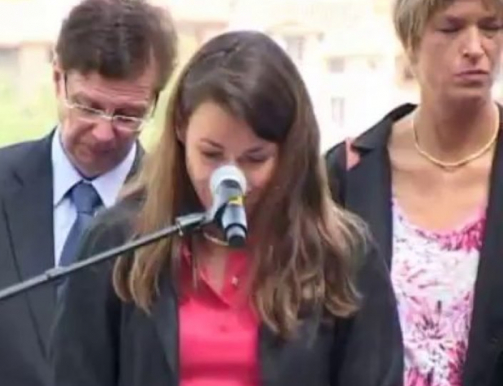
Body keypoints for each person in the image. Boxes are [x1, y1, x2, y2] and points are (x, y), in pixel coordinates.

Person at [49, 30, 403, 386]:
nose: (229, 179)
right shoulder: (119, 241)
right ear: (181, 130)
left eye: (255, 158)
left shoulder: (342, 254)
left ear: (288, 153)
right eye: (211, 154)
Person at [0, 1, 178, 385]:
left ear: (156, 101)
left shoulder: (177, 217)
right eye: (88, 106)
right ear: (58, 78)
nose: (104, 132)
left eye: (127, 115)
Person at [325, 0, 503, 385]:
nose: (476, 46)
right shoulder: (348, 173)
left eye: (491, 27)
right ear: (411, 41)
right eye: (451, 28)